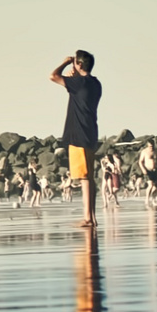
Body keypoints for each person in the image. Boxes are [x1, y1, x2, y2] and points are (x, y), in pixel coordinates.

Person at [50, 51, 103, 229]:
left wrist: (65, 63)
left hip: (78, 134)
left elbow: (53, 76)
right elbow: (78, 95)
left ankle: (88, 218)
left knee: (84, 177)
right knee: (89, 177)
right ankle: (91, 217)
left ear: (79, 64)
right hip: (90, 133)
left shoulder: (78, 82)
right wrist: (73, 74)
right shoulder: (95, 83)